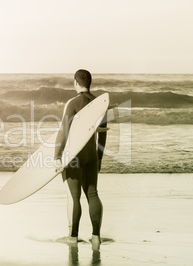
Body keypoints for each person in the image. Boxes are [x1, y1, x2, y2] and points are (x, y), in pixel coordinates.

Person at [55, 69, 107, 248]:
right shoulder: (100, 103)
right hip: (92, 154)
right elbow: (103, 135)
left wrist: (56, 156)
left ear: (75, 83)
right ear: (90, 83)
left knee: (74, 197)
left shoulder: (73, 103)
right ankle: (96, 237)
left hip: (75, 155)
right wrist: (99, 157)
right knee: (93, 194)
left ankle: (73, 237)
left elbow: (64, 131)